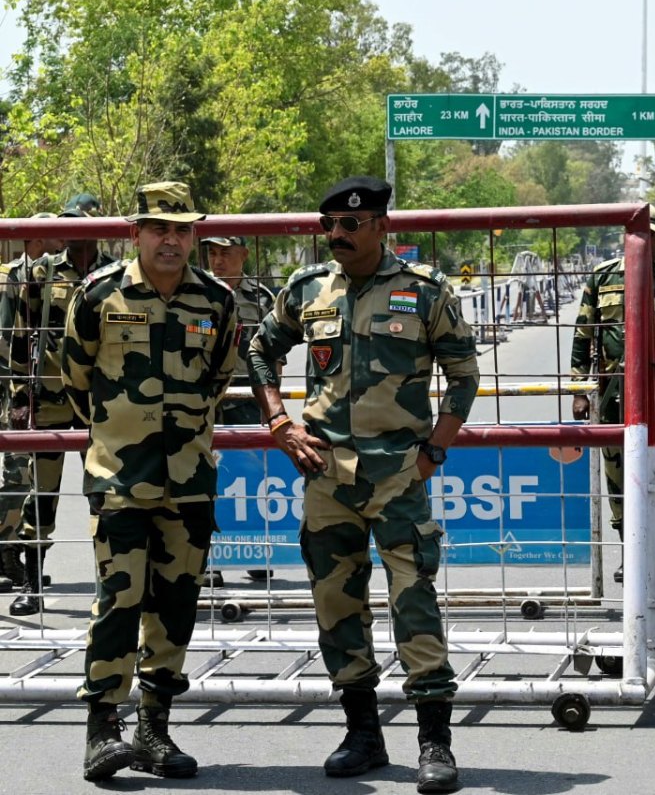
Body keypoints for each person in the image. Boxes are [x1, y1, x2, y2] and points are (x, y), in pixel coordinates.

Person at [247, 176, 477, 794]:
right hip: (326, 476)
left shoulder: (424, 291)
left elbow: (462, 375)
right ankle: (362, 734)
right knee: (336, 605)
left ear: (381, 226)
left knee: (413, 601)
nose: (337, 234)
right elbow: (260, 351)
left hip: (398, 474)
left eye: (351, 224)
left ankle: (435, 741)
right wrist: (279, 423)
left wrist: (434, 451)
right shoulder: (307, 289)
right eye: (329, 225)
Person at [62, 181, 238, 781]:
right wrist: (120, 435)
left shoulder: (216, 300)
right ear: (135, 232)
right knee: (119, 600)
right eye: (159, 228)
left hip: (188, 479)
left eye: (182, 230)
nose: (171, 240)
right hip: (120, 478)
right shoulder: (99, 294)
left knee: (176, 605)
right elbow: (76, 379)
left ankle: (153, 728)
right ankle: (102, 730)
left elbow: (218, 379)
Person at [569, 205, 655, 580]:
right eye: (637, 234)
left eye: (651, 234)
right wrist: (580, 390)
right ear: (626, 237)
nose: (644, 240)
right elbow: (583, 334)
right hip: (615, 392)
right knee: (618, 469)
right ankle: (630, 550)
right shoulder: (602, 277)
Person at [6, 195, 116, 615]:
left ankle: (110, 584)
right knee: (41, 497)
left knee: (104, 495)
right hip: (49, 401)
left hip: (99, 403)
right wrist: (20, 394)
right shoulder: (43, 271)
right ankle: (33, 586)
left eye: (79, 222)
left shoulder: (116, 274)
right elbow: (21, 335)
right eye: (66, 222)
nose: (70, 230)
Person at [201, 235, 273, 582]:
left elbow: (274, 352)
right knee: (204, 476)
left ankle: (254, 548)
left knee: (250, 476)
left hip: (246, 395)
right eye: (213, 253)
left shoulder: (262, 298)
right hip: (205, 395)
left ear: (244, 255)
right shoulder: (196, 292)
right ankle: (209, 558)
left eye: (226, 253)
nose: (218, 260)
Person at [0, 212, 62, 592]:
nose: (63, 241)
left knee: (24, 472)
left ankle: (12, 554)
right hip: (14, 387)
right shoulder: (13, 277)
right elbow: (10, 340)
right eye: (56, 235)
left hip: (29, 387)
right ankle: (6, 553)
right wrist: (17, 393)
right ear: (38, 240)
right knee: (18, 471)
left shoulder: (48, 274)